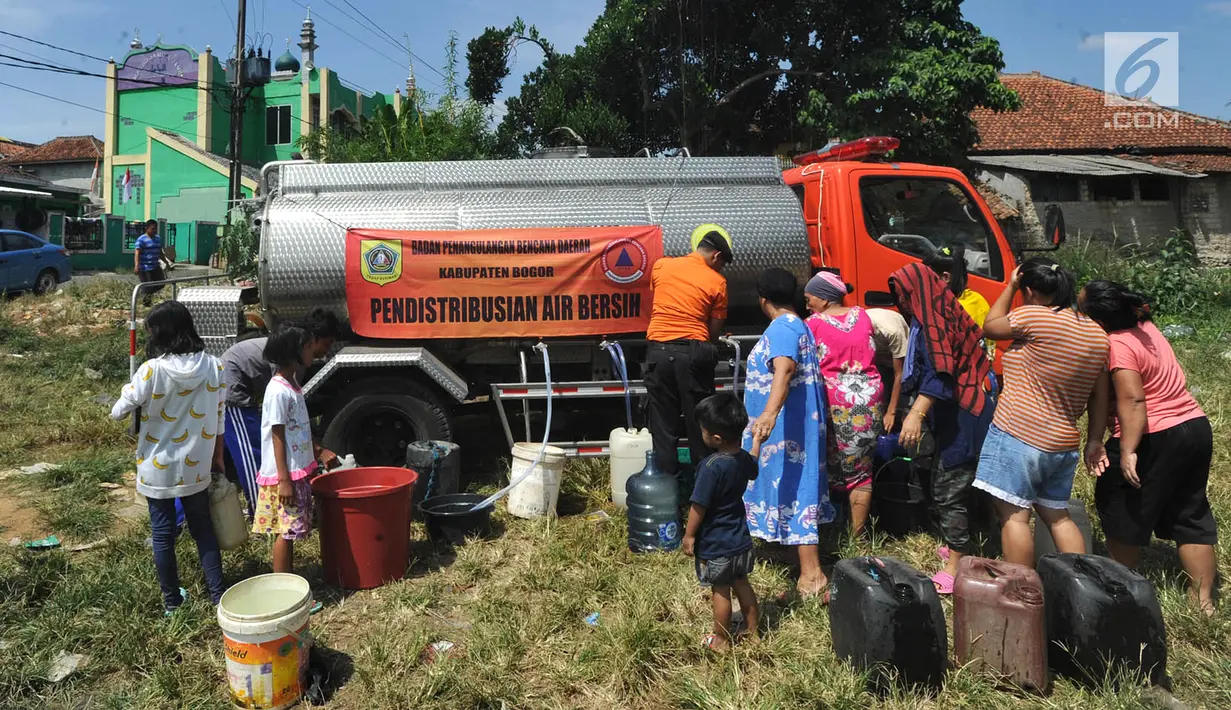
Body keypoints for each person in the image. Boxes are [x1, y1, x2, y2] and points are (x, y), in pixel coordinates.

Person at [1080, 281, 1218, 616]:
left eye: (1081, 309)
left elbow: (1134, 398)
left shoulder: (1116, 344)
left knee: (1124, 513)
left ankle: (1125, 598)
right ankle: (1203, 603)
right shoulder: (1146, 327)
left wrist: (1128, 449)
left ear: (1100, 321)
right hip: (1194, 426)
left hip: (1154, 436)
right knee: (1191, 513)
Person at [974, 258, 1110, 567]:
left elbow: (991, 326)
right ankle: (1082, 583)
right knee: (1057, 517)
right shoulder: (1096, 334)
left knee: (1014, 517)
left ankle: (1025, 593)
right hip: (1062, 443)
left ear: (1031, 291)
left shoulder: (1033, 315)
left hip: (1019, 433)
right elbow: (1099, 397)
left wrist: (1009, 286)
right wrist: (1095, 440)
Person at [110, 302, 226, 614]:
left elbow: (118, 411)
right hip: (196, 467)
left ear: (161, 333)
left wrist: (131, 388)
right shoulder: (216, 367)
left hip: (157, 469)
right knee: (204, 529)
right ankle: (218, 597)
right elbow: (219, 420)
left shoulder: (151, 370)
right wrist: (218, 459)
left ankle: (172, 603)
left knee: (163, 536)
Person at [889, 263, 996, 594]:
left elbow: (942, 373)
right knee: (947, 482)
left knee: (949, 491)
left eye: (902, 295)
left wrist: (915, 414)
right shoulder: (934, 314)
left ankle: (957, 565)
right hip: (955, 413)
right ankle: (959, 544)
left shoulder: (935, 321)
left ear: (916, 291)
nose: (900, 303)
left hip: (964, 415)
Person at [743, 267, 836, 598]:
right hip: (793, 428)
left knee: (796, 491)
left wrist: (767, 415)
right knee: (795, 489)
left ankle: (812, 577)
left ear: (762, 299)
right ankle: (797, 561)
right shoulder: (798, 325)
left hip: (785, 431)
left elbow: (784, 369)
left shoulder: (782, 327)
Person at [222, 309, 342, 519]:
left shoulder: (295, 361)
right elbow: (281, 424)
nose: (327, 349)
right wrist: (316, 451)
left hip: (249, 383)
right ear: (310, 340)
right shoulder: (286, 367)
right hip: (233, 382)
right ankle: (260, 513)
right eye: (326, 343)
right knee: (251, 453)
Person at [644, 228, 732, 476]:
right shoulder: (717, 282)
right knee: (701, 425)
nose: (722, 268)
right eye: (723, 262)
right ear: (716, 256)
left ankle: (666, 496)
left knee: (663, 428)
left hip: (658, 352)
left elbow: (662, 299)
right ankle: (703, 494)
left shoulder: (662, 266)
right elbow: (712, 334)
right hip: (693, 354)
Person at [803, 271, 883, 538]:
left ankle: (830, 532)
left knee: (827, 465)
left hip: (834, 403)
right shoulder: (863, 315)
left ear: (824, 299)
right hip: (869, 401)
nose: (807, 304)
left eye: (809, 298)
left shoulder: (812, 323)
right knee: (861, 471)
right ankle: (857, 538)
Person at [683, 393, 762, 651]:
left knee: (721, 590)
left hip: (717, 543)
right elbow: (754, 467)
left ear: (716, 438)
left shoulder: (711, 466)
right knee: (742, 584)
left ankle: (721, 639)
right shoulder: (741, 460)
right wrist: (757, 443)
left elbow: (699, 505)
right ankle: (752, 633)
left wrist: (690, 535)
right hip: (741, 539)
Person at [254, 324, 332, 575]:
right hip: (285, 474)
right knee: (286, 532)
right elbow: (277, 435)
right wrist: (284, 479)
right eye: (308, 346)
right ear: (293, 352)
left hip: (295, 470)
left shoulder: (292, 383)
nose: (312, 351)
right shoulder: (278, 390)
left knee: (290, 529)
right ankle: (284, 587)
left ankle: (286, 582)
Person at [924, 245, 990, 327]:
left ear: (946, 277)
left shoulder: (950, 312)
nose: (924, 282)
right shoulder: (978, 298)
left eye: (927, 277)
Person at [866, 307, 909, 432]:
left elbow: (899, 374)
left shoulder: (892, 331)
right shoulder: (854, 327)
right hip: (880, 356)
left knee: (902, 394)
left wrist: (891, 412)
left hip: (896, 359)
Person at [134, 219, 166, 307]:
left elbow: (160, 252)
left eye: (155, 228)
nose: (154, 230)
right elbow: (137, 253)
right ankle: (146, 304)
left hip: (155, 266)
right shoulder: (141, 239)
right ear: (147, 228)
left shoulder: (158, 238)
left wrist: (166, 262)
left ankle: (145, 293)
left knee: (161, 283)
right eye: (153, 229)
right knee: (148, 286)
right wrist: (136, 266)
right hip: (145, 267)